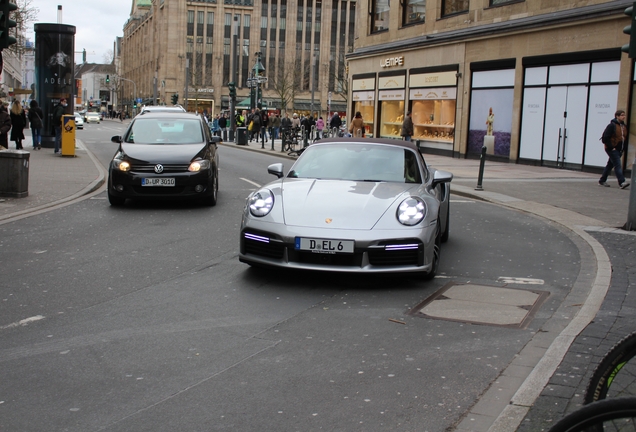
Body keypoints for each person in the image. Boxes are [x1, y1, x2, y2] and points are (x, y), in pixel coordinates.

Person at [599, 109, 630, 189]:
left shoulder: (624, 126)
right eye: (622, 115)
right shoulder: (612, 125)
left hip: (619, 149)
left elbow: (624, 138)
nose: (624, 117)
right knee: (617, 164)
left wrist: (624, 148)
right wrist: (611, 147)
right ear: (617, 116)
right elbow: (605, 138)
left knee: (610, 165)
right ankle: (622, 182)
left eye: (624, 115)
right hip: (612, 149)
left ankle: (602, 180)